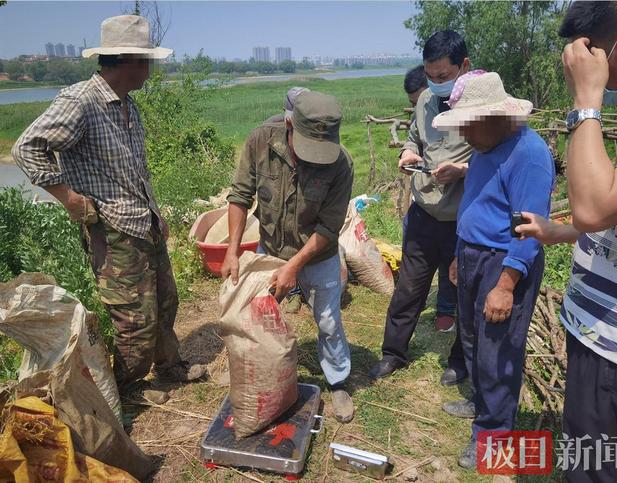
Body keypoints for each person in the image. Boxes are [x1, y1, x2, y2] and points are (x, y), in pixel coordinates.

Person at [12, 15, 207, 403]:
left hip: (142, 222)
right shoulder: (80, 101)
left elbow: (134, 169)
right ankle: (128, 388)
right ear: (127, 60)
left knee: (165, 300)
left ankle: (169, 365)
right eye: (147, 61)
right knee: (133, 317)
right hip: (112, 229)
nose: (151, 69)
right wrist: (68, 198)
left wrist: (156, 214)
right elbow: (26, 148)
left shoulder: (127, 107)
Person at [516, 2, 617, 481]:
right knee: (592, 458)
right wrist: (561, 231)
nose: (602, 84)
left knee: (599, 471)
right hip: (600, 336)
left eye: (603, 69)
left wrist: (585, 101)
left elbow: (593, 206)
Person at [433, 71, 554, 469]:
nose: (464, 135)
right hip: (471, 256)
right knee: (472, 339)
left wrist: (505, 284)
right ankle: (481, 402)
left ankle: (494, 436)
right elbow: (478, 202)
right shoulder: (485, 148)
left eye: (470, 125)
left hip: (503, 264)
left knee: (498, 351)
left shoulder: (530, 154)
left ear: (496, 117)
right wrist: (458, 253)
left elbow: (529, 229)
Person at [222, 91, 356, 423]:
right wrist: (233, 251)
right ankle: (257, 373)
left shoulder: (341, 164)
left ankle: (338, 379)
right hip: (270, 247)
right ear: (288, 124)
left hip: (318, 254)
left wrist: (294, 267)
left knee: (327, 320)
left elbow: (329, 226)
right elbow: (240, 196)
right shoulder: (260, 142)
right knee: (258, 316)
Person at [368, 31, 472, 388]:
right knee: (409, 288)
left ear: (464, 67)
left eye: (443, 76)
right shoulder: (426, 99)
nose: (437, 84)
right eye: (431, 76)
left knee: (463, 292)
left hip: (463, 219)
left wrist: (461, 171)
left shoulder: (482, 106)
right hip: (424, 213)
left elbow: (497, 161)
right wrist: (408, 153)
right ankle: (393, 353)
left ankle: (460, 362)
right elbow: (415, 137)